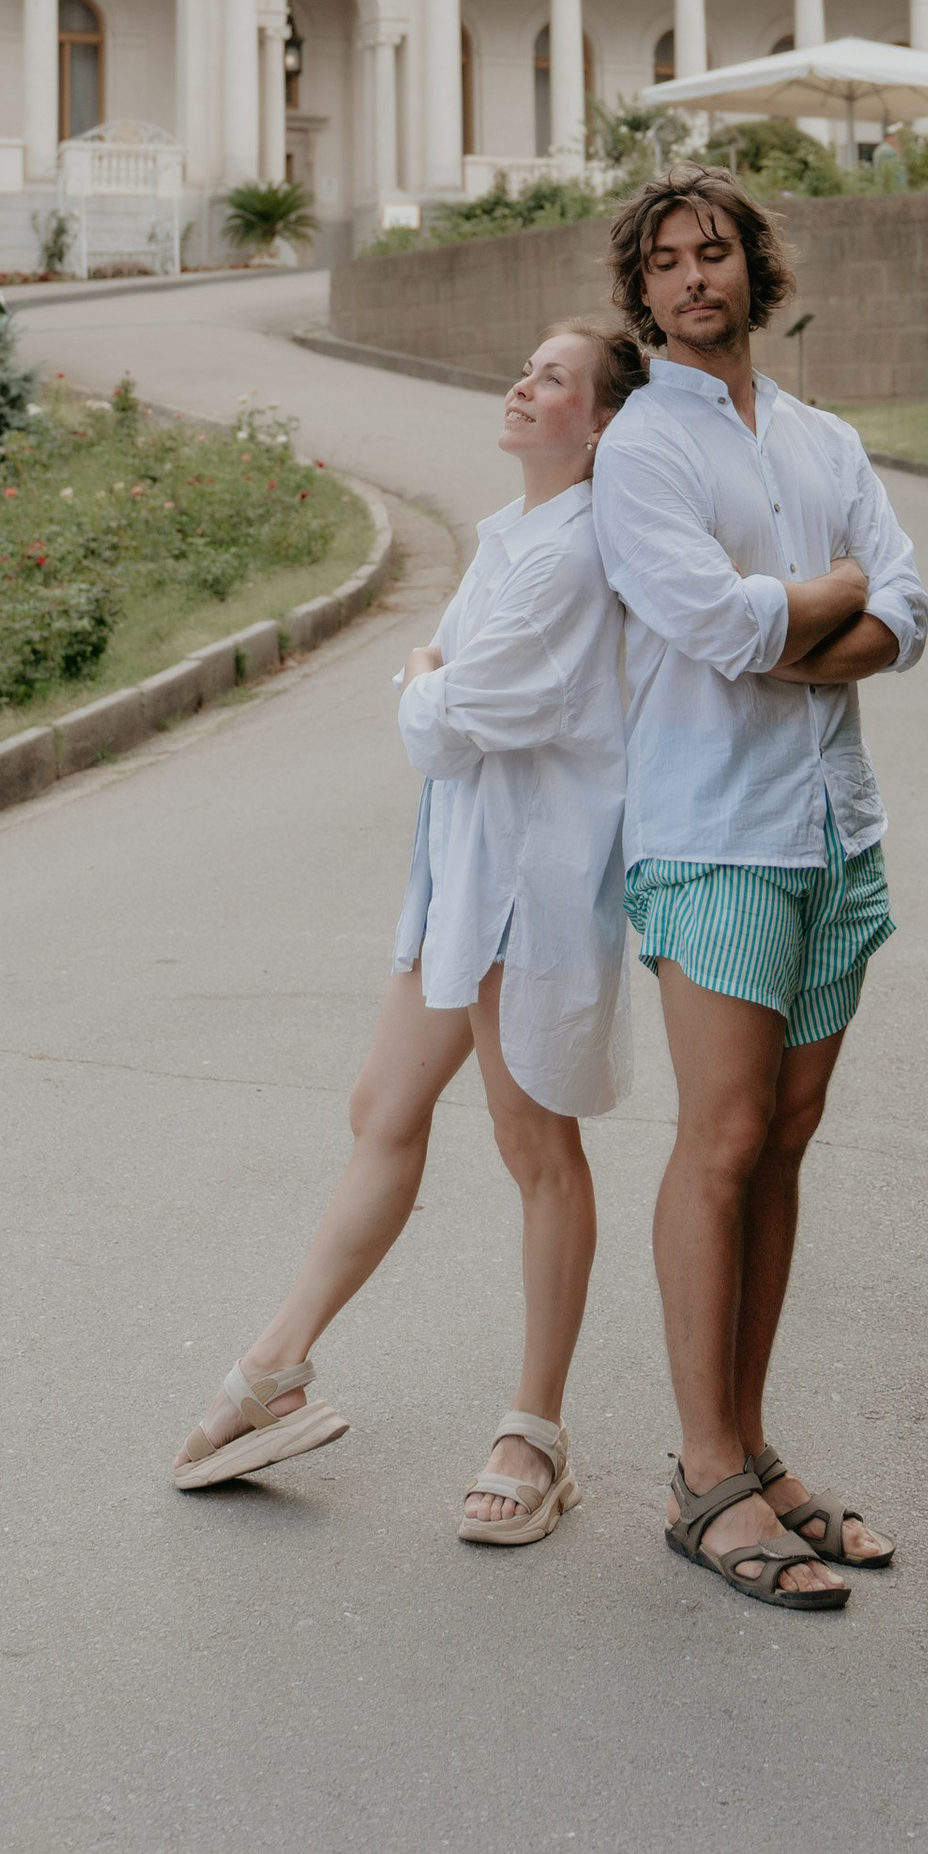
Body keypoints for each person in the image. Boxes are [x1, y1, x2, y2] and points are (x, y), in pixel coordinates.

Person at [172, 318, 642, 1542]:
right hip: (457, 875)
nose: (522, 383)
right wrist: (437, 673)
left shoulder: (578, 551)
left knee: (534, 1143)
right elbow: (451, 706)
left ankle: (534, 1433)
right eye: (526, 365)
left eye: (552, 378)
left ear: (599, 424)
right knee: (382, 1108)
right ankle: (277, 1367)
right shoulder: (512, 534)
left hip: (530, 884)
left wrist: (425, 671)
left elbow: (447, 716)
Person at [591, 167, 928, 1615]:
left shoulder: (821, 439)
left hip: (832, 831)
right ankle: (704, 1473)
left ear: (753, 270)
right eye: (664, 261)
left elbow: (908, 608)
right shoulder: (640, 451)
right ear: (643, 293)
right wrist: (818, 602)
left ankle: (753, 1447)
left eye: (712, 251)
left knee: (786, 1141)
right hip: (714, 829)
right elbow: (706, 620)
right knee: (721, 1138)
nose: (691, 278)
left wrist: (815, 631)